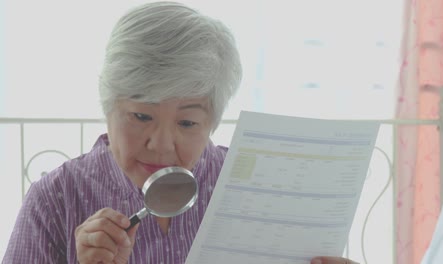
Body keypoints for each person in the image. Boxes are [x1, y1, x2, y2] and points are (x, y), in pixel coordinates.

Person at [3, 2, 358, 264]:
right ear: (108, 107)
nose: (160, 145)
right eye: (141, 116)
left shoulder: (260, 188)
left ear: (212, 122)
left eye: (187, 123)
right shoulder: (56, 198)